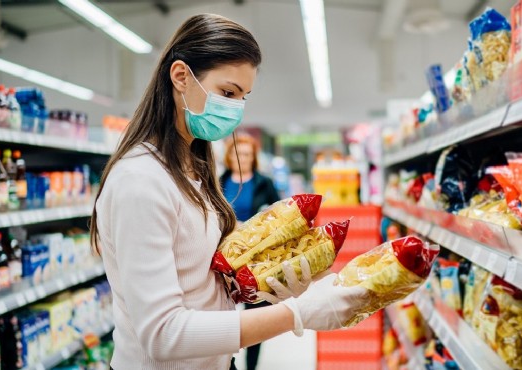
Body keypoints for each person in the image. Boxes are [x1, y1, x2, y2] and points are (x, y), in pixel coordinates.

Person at [90, 13, 368, 370]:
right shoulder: (140, 180)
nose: (235, 109)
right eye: (227, 93)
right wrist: (295, 314)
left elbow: (197, 278)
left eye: (243, 97)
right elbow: (162, 334)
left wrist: (267, 281)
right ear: (180, 77)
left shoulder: (194, 168)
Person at [220, 134, 280, 370]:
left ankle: (251, 366)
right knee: (224, 312)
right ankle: (226, 361)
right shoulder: (219, 182)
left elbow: (279, 215)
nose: (241, 158)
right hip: (226, 258)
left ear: (253, 158)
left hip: (256, 260)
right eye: (237, 153)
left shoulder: (265, 184)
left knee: (255, 313)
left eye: (246, 154)